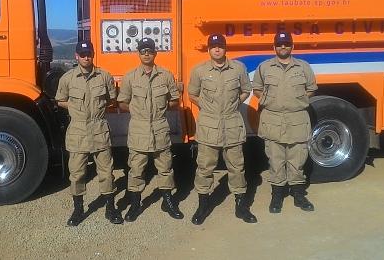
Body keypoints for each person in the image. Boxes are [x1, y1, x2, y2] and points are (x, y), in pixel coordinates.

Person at [188, 33, 257, 225]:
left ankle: (241, 206)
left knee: (237, 166)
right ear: (209, 49)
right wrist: (206, 107)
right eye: (213, 46)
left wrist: (236, 104)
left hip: (232, 123)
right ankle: (203, 205)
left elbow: (246, 89)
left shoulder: (238, 68)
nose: (217, 49)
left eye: (220, 46)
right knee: (205, 167)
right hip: (209, 125)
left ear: (225, 48)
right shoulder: (199, 70)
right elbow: (192, 93)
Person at [55, 40, 123, 226]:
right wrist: (76, 108)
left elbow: (112, 100)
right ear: (76, 56)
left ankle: (111, 208)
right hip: (77, 131)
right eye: (82, 54)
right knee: (76, 173)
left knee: (106, 172)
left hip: (99, 129)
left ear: (93, 55)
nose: (86, 57)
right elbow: (60, 100)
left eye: (89, 54)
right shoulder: (67, 78)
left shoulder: (105, 77)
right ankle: (78, 210)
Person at [117, 37, 184, 222]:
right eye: (143, 51)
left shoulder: (166, 75)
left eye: (149, 50)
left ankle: (168, 201)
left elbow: (174, 100)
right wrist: (138, 111)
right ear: (138, 53)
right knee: (136, 169)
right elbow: (122, 102)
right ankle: (135, 204)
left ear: (155, 53)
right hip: (138, 128)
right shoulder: (130, 77)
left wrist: (159, 110)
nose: (146, 53)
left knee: (165, 168)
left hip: (160, 127)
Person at [252, 32, 317, 213]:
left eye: (287, 44)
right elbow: (257, 88)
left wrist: (299, 100)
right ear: (274, 47)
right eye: (280, 44)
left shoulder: (303, 67)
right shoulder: (264, 67)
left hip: (297, 119)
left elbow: (311, 88)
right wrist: (267, 100)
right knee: (276, 159)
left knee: (298, 159)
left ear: (292, 46)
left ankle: (298, 195)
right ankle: (277, 195)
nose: (283, 47)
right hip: (272, 119)